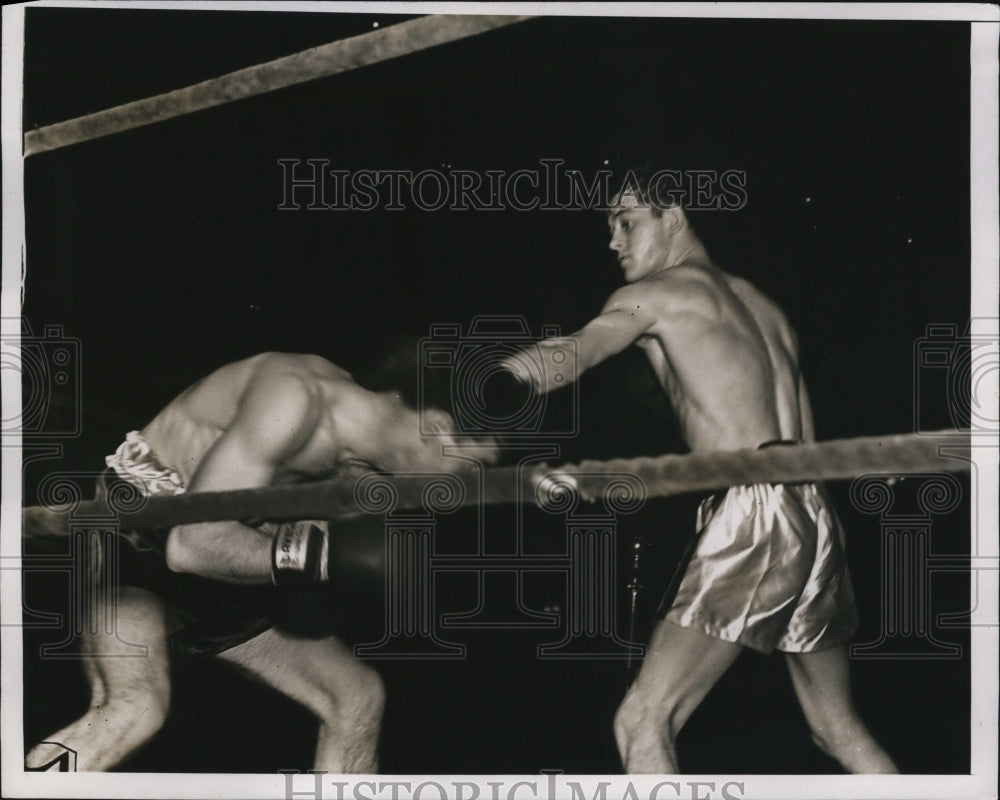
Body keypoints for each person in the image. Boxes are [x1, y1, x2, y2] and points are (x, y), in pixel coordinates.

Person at [501, 166, 898, 774]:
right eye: (610, 225)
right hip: (814, 516)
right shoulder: (765, 308)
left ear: (674, 215)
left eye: (626, 221)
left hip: (755, 515)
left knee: (643, 718)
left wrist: (494, 385)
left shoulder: (659, 294)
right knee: (837, 730)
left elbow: (579, 350)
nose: (613, 241)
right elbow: (806, 445)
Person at [24, 348, 497, 773]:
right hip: (137, 539)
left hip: (219, 557)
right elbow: (191, 547)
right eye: (469, 467)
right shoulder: (296, 400)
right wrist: (324, 557)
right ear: (437, 427)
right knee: (134, 707)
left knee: (355, 697)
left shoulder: (371, 464)